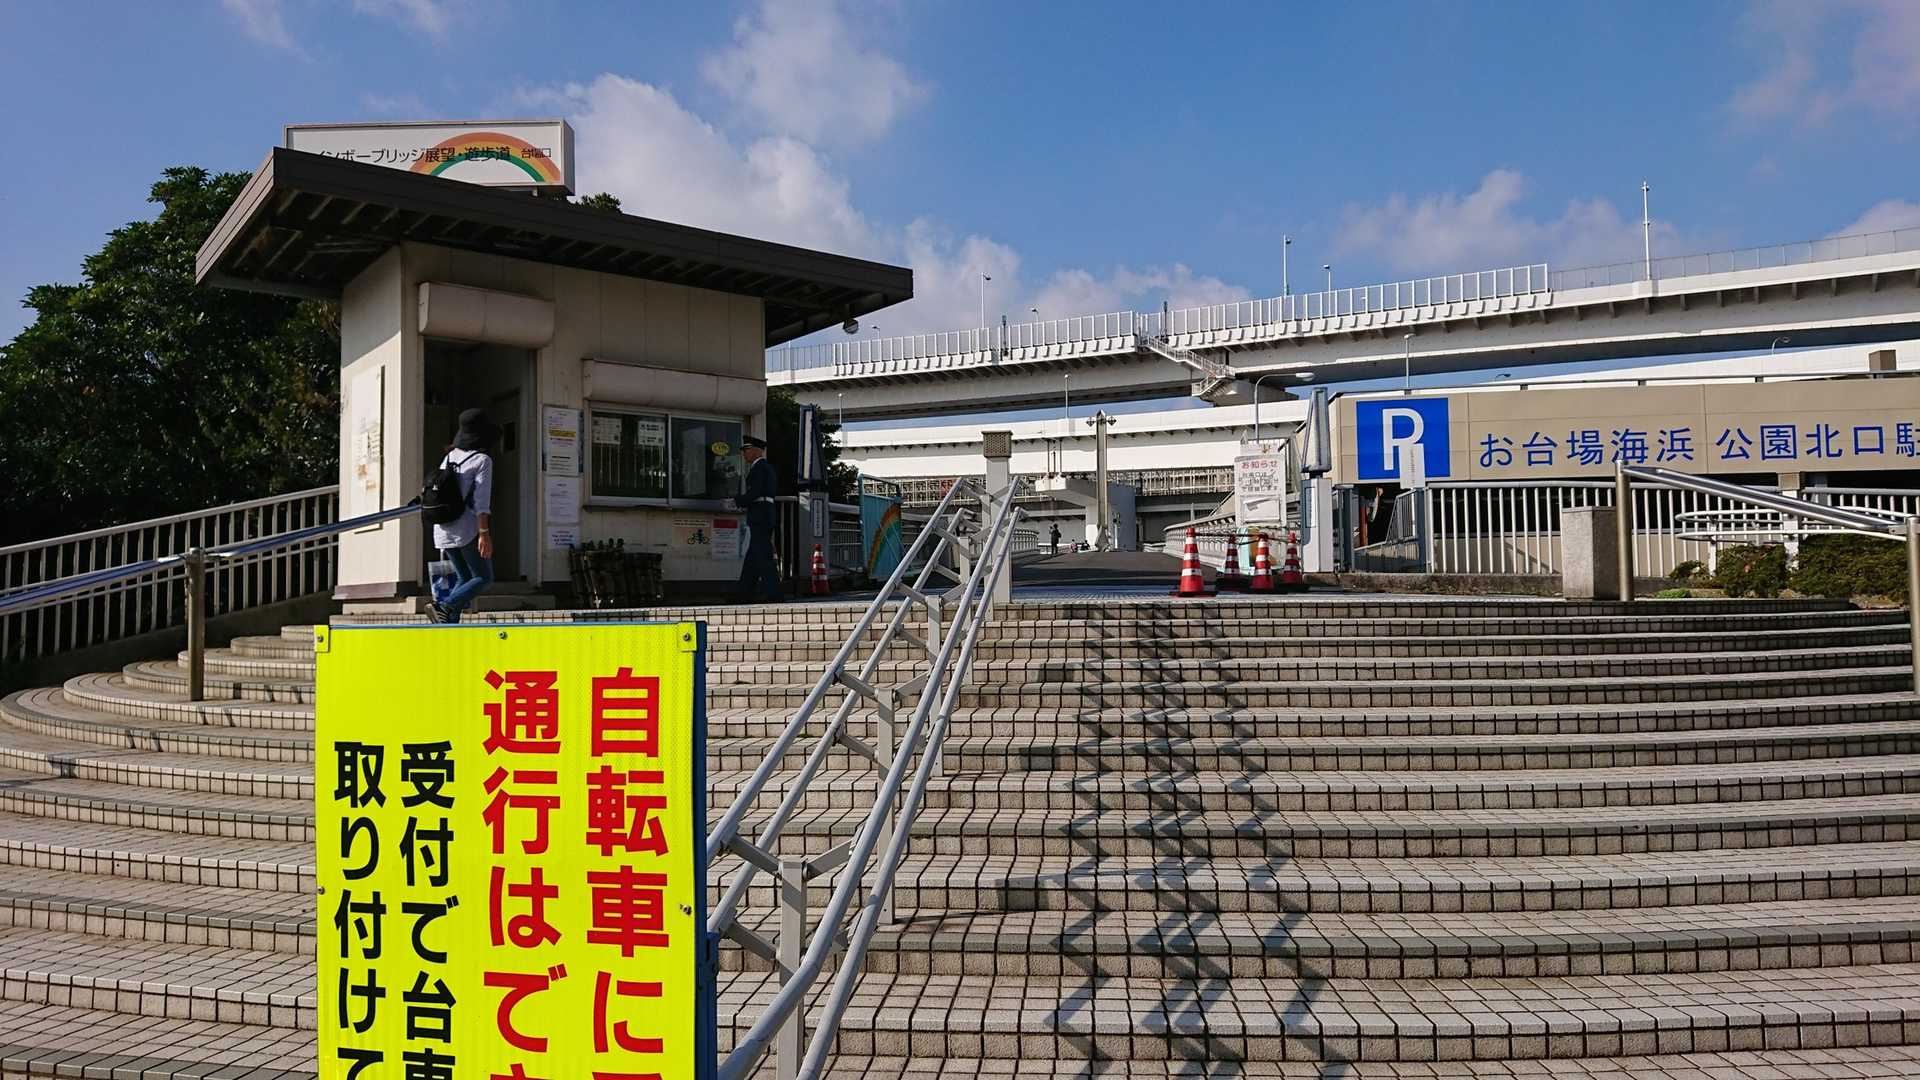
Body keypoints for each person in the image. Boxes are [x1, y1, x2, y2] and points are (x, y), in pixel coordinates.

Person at [429, 408, 497, 623]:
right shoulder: (482, 460)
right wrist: (484, 533)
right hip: (465, 528)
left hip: (442, 526)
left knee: (464, 577)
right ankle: (444, 606)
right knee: (484, 577)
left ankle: (447, 624)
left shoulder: (449, 457)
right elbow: (481, 502)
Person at [732, 434, 782, 603]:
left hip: (761, 514)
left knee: (763, 555)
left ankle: (774, 594)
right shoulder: (764, 467)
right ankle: (743, 594)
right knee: (753, 557)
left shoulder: (759, 468)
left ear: (756, 451)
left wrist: (737, 501)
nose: (744, 454)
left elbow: (755, 492)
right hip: (764, 513)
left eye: (747, 450)